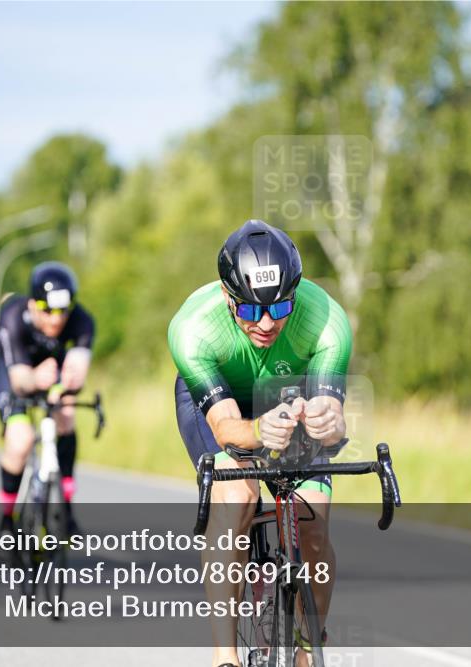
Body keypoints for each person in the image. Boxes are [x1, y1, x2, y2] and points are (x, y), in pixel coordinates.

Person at [168, 219, 352, 667]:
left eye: (280, 307)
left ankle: (307, 648)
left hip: (289, 393)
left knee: (313, 521)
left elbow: (332, 418)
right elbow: (226, 427)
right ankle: (225, 655)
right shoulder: (192, 328)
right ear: (227, 296)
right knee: (237, 497)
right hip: (222, 403)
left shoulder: (327, 321)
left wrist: (328, 422)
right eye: (251, 311)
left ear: (296, 293)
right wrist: (258, 432)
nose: (267, 323)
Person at [0, 261, 94, 539]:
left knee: (66, 414)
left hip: (51, 372)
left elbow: (78, 370)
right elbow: (19, 380)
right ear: (32, 305)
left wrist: (69, 383)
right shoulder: (13, 316)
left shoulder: (82, 321)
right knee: (20, 441)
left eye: (63, 311)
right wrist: (35, 379)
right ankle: (6, 521)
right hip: (14, 372)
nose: (56, 320)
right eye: (47, 310)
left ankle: (66, 509)